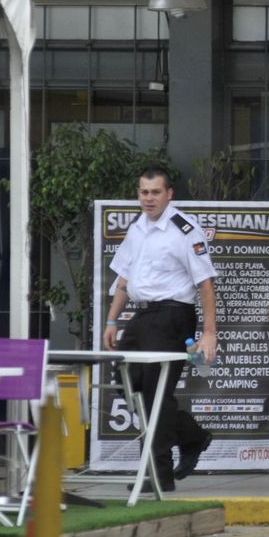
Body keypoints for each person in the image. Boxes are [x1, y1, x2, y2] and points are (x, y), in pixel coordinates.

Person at [103, 165, 216, 493]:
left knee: (155, 394)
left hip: (173, 315)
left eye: (155, 192)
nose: (148, 198)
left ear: (169, 194)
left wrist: (209, 333)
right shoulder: (137, 227)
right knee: (127, 386)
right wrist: (112, 320)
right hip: (143, 316)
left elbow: (205, 283)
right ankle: (192, 437)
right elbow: (123, 279)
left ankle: (158, 474)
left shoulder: (184, 229)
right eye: (143, 192)